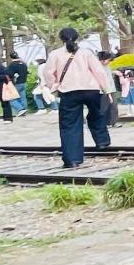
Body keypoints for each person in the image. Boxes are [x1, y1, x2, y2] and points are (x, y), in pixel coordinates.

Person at [40, 27, 116, 169]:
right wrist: (107, 90)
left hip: (69, 92)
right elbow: (99, 71)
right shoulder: (87, 53)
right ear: (77, 37)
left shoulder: (55, 54)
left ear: (61, 38)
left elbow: (48, 74)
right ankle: (102, 142)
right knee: (97, 115)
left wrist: (54, 86)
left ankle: (73, 159)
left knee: (70, 125)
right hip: (92, 89)